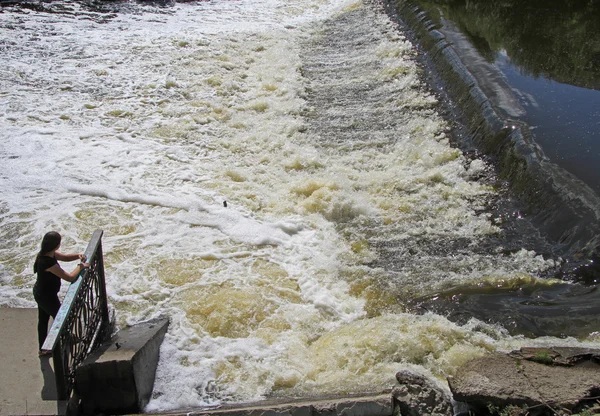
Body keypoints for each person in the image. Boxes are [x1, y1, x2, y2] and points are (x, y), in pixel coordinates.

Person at [33, 231, 89, 356]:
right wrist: (81, 266)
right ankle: (51, 346)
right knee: (60, 319)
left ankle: (45, 347)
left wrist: (78, 255)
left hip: (43, 293)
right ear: (56, 245)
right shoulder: (47, 263)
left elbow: (65, 257)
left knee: (44, 320)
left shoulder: (48, 254)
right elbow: (69, 277)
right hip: (45, 296)